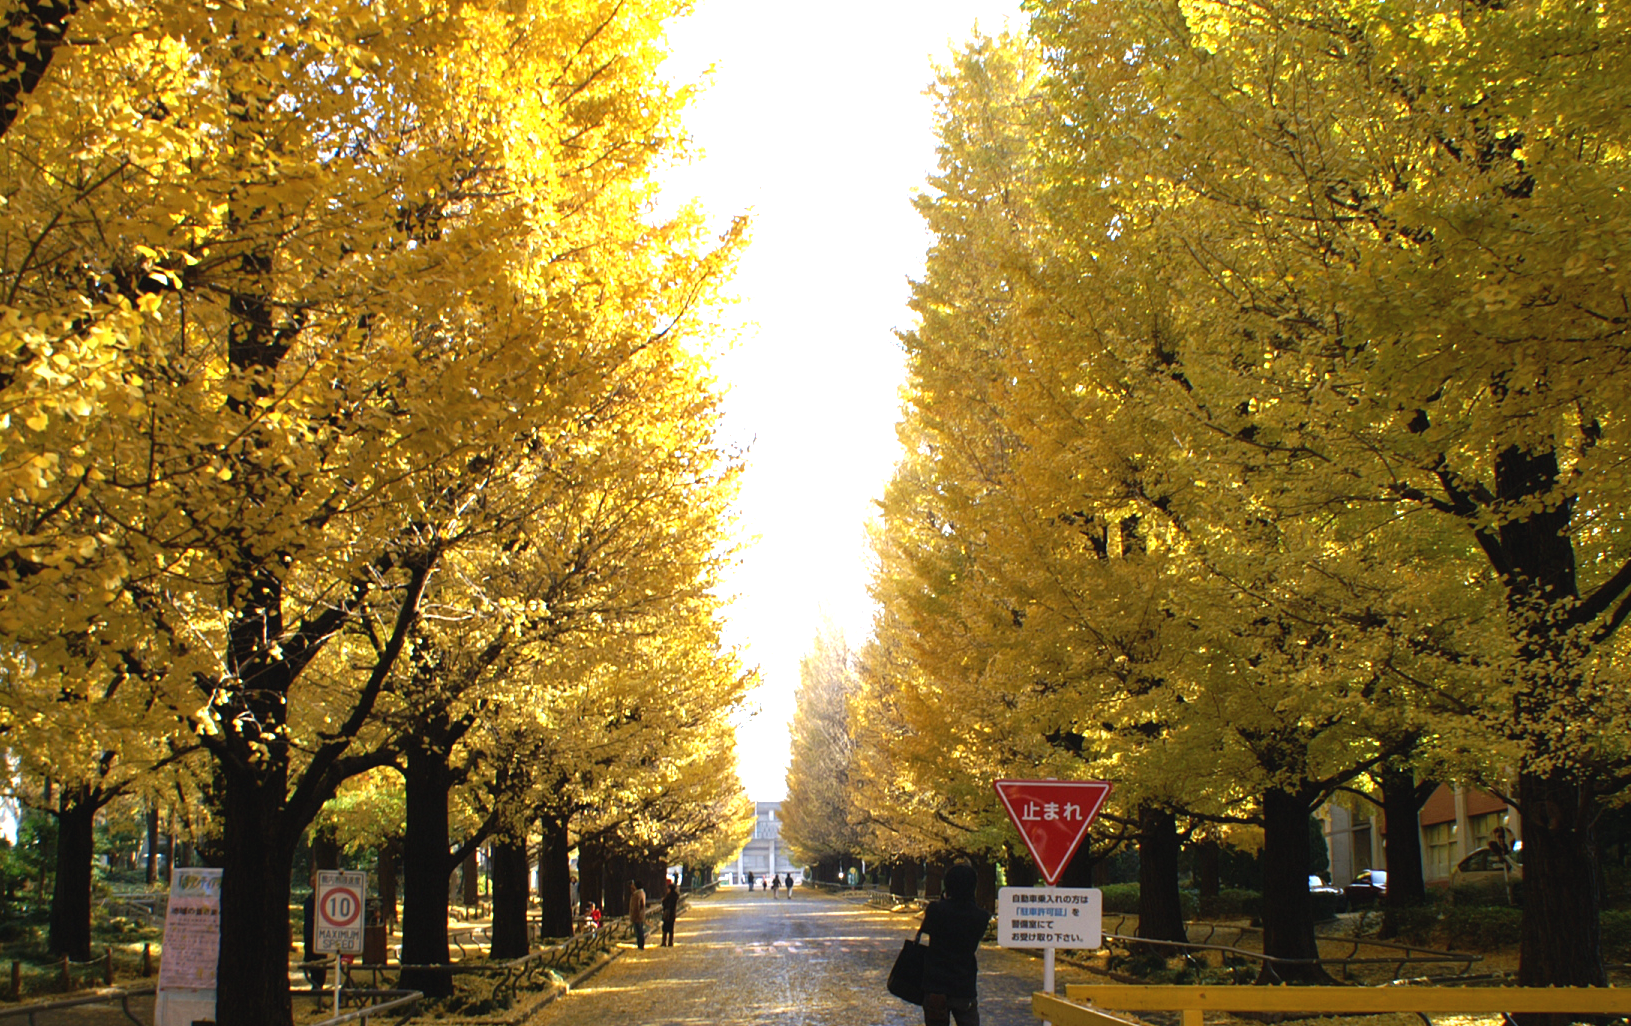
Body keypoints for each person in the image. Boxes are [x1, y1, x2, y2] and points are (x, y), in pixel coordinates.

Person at [918, 863, 991, 1026]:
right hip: (964, 984)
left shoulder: (936, 910)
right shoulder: (980, 917)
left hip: (936, 986)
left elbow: (928, 929)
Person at [628, 879, 648, 949]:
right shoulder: (642, 893)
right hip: (640, 915)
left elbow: (636, 906)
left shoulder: (637, 895)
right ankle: (641, 944)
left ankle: (640, 945)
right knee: (640, 930)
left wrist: (633, 916)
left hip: (637, 916)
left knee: (639, 931)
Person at [661, 879, 680, 946]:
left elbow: (665, 904)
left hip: (668, 914)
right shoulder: (675, 896)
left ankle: (664, 942)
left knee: (665, 928)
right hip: (672, 914)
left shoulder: (669, 897)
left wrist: (663, 901)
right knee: (671, 929)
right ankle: (670, 942)